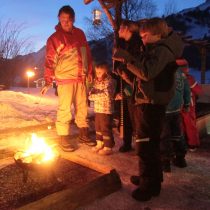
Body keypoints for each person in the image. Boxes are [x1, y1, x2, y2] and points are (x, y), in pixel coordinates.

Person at [113, 18, 184, 201]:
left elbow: (146, 73)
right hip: (149, 101)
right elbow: (145, 77)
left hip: (151, 105)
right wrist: (127, 73)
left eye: (145, 36)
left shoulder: (162, 51)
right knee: (150, 144)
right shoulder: (156, 48)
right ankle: (152, 180)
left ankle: (147, 186)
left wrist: (128, 60)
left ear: (157, 35)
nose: (142, 40)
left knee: (145, 145)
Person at [41, 5, 96, 152]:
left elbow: (86, 54)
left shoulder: (80, 34)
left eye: (69, 19)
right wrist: (48, 80)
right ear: (59, 18)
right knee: (64, 109)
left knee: (82, 108)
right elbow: (49, 60)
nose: (66, 22)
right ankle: (63, 138)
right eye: (63, 19)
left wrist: (89, 71)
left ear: (73, 19)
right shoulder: (54, 38)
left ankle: (83, 134)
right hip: (65, 79)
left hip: (81, 78)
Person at [115, 20, 143, 153]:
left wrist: (126, 74)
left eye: (120, 27)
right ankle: (127, 143)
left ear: (127, 28)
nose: (118, 30)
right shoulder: (124, 44)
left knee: (135, 116)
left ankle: (140, 145)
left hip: (134, 84)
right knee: (126, 114)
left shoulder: (137, 44)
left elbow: (136, 64)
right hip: (126, 84)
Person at [161, 64, 191, 172]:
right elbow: (187, 90)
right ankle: (180, 159)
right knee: (177, 134)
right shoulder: (180, 73)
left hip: (164, 109)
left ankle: (165, 162)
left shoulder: (161, 70)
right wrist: (187, 104)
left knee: (164, 137)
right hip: (176, 109)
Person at [88, 62, 116, 155]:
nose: (98, 74)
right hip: (98, 108)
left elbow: (107, 95)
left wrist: (92, 97)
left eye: (100, 72)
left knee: (105, 128)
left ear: (106, 72)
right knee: (98, 127)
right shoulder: (97, 81)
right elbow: (94, 89)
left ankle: (108, 146)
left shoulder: (109, 81)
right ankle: (100, 143)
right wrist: (90, 92)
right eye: (97, 72)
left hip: (106, 109)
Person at [178, 59, 203, 151]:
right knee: (190, 124)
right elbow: (199, 90)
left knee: (179, 125)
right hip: (188, 105)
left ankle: (181, 143)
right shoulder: (189, 79)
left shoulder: (171, 78)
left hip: (176, 105)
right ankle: (193, 144)